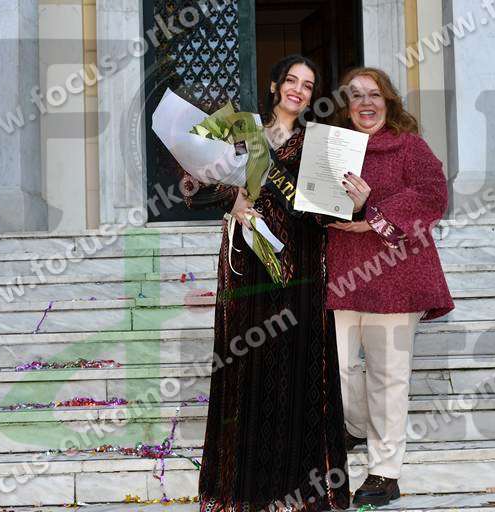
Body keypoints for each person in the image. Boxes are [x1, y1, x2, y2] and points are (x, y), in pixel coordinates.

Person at [192, 55, 350, 512]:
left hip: (299, 266)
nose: (298, 89)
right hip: (248, 265)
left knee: (297, 372)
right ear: (275, 85)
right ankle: (245, 491)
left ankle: (297, 491)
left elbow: (325, 213)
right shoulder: (241, 130)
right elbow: (191, 184)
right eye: (291, 81)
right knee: (248, 369)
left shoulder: (319, 143)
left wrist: (353, 201)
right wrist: (232, 198)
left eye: (308, 84)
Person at [326, 67, 455, 506]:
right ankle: (356, 426)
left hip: (398, 275)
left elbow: (433, 195)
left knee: (388, 377)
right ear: (345, 105)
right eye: (356, 95)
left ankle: (385, 471)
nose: (366, 102)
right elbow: (314, 198)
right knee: (337, 368)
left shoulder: (409, 146)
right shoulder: (333, 149)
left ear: (388, 102)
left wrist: (373, 215)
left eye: (374, 94)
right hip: (343, 275)